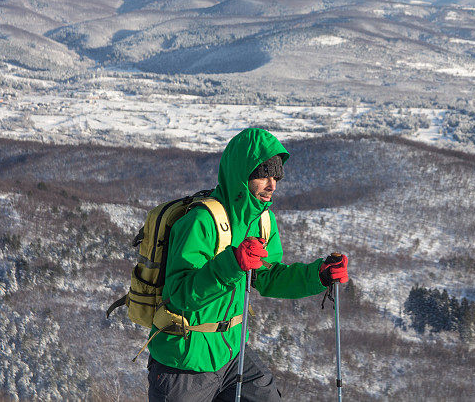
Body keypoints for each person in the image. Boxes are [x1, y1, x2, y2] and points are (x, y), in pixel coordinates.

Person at [146, 128, 349, 401]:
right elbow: (179, 295)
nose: (272, 184)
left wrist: (319, 275)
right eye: (264, 174)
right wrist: (232, 264)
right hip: (184, 361)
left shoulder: (263, 221)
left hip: (229, 352)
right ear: (242, 173)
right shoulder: (201, 222)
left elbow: (268, 278)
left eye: (276, 176)